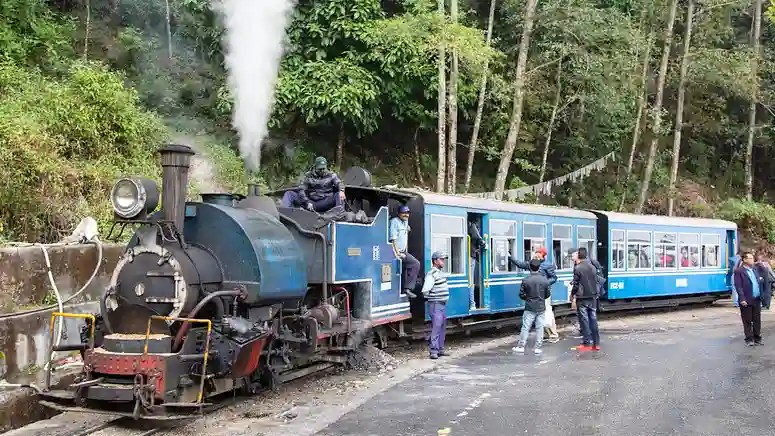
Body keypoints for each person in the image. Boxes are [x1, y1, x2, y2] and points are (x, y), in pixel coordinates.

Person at [510, 247, 559, 343]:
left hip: (543, 291)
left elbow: (554, 278)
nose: (536, 254)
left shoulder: (547, 265)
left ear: (542, 254)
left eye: (538, 253)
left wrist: (545, 284)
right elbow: (521, 264)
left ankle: (553, 334)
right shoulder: (533, 263)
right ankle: (546, 334)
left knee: (547, 312)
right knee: (542, 313)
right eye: (536, 252)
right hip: (535, 291)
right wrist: (510, 258)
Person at [513, 258, 551, 355]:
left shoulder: (526, 280)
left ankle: (521, 346)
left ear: (530, 267)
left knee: (526, 327)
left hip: (529, 307)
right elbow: (547, 294)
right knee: (540, 327)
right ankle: (538, 347)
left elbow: (521, 294)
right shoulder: (545, 280)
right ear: (539, 268)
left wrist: (528, 298)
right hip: (541, 307)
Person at [281, 156, 345, 213]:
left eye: (323, 168)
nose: (322, 171)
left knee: (339, 195)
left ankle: (339, 214)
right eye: (320, 169)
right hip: (311, 202)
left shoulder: (331, 175)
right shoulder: (308, 175)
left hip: (325, 201)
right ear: (315, 167)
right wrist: (307, 202)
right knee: (289, 194)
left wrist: (341, 191)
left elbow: (339, 183)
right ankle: (286, 213)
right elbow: (301, 189)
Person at [421, 251, 450, 359]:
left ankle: (440, 349)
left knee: (442, 327)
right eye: (441, 259)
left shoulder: (439, 273)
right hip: (436, 304)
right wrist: (431, 298)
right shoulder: (432, 274)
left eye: (443, 259)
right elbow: (425, 290)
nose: (443, 261)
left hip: (441, 305)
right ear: (435, 261)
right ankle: (433, 351)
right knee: (436, 327)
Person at [570, 247, 600, 352]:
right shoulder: (592, 267)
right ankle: (596, 343)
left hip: (582, 298)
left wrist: (572, 295)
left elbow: (576, 284)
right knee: (593, 319)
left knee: (584, 320)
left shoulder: (578, 268)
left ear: (579, 256)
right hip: (592, 297)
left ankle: (587, 342)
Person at [734, 251, 764, 346]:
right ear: (744, 259)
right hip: (746, 299)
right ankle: (749, 339)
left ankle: (757, 338)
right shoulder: (739, 271)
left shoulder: (754, 269)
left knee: (757, 320)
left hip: (756, 298)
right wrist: (742, 298)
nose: (752, 260)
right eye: (750, 258)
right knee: (747, 320)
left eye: (752, 258)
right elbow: (738, 286)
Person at [389, 205, 421, 295]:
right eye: (403, 213)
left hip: (403, 251)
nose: (406, 215)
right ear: (399, 214)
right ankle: (407, 288)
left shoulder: (405, 222)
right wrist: (397, 253)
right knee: (415, 263)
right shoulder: (394, 222)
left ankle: (405, 288)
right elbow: (393, 239)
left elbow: (406, 230)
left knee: (407, 268)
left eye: (407, 213)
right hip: (395, 251)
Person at [468, 220, 487, 311]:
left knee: (471, 280)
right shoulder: (473, 225)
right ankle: (472, 304)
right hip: (470, 256)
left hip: (468, 255)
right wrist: (483, 244)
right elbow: (476, 236)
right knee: (471, 281)